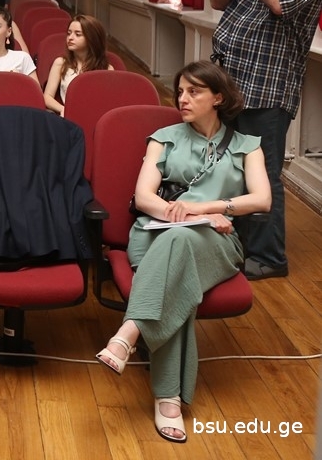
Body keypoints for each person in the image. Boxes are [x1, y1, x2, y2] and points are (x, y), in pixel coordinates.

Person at [96, 61, 270, 442]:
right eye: (180, 92)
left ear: (218, 98)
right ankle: (168, 399)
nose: (182, 99)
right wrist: (187, 216)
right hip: (155, 233)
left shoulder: (247, 146)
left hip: (216, 241)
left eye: (194, 91)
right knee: (180, 273)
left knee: (180, 254)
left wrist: (207, 210)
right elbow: (144, 197)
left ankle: (129, 332)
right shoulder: (164, 138)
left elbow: (262, 199)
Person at [209, 0, 322, 280]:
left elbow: (280, 3)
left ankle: (270, 258)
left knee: (262, 172)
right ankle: (238, 246)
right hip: (229, 81)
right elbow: (217, 1)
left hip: (268, 87)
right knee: (230, 167)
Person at [43, 14, 112, 115]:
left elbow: (109, 101)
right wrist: (63, 109)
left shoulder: (107, 69)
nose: (70, 38)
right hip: (67, 116)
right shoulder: (60, 63)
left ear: (91, 38)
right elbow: (47, 97)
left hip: (96, 116)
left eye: (78, 34)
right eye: (69, 33)